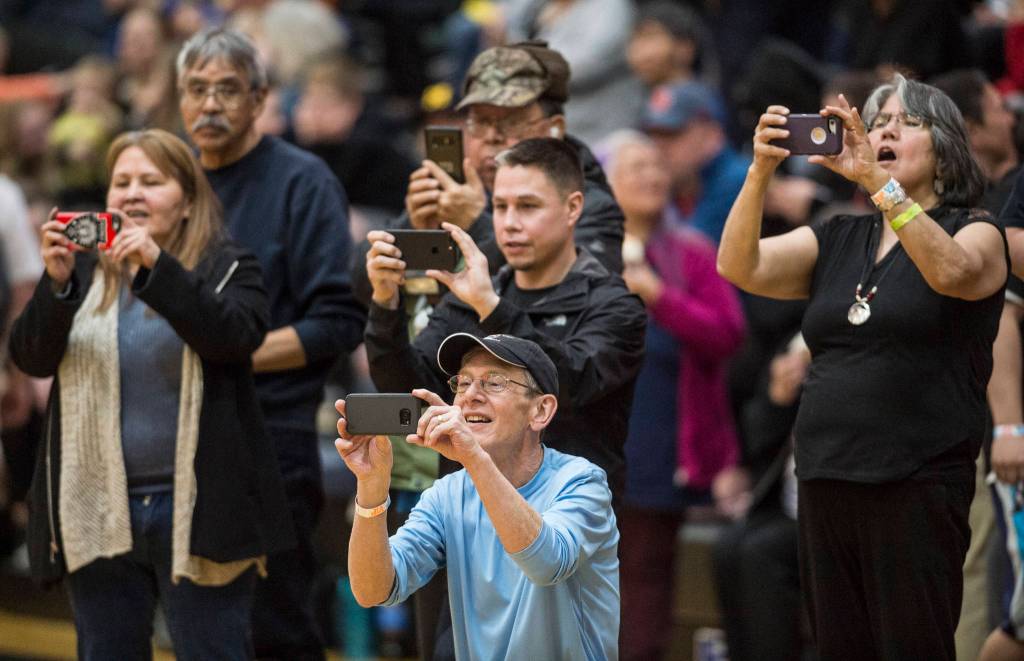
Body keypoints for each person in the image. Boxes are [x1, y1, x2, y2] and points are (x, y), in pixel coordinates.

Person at [717, 74, 1008, 659]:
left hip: (915, 480)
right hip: (826, 475)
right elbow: (738, 264)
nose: (885, 131)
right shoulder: (839, 235)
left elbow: (952, 273)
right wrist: (758, 173)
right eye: (877, 123)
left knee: (911, 647)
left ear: (947, 145)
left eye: (908, 122)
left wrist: (877, 181)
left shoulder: (975, 230)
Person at [8, 128, 292, 660]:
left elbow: (234, 338)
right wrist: (57, 285)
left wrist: (157, 269)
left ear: (186, 200)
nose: (132, 193)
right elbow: (31, 358)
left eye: (151, 181)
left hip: (201, 508)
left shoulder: (226, 265)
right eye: (121, 182)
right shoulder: (84, 270)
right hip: (97, 506)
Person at [176, 27, 366, 660]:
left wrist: (224, 352)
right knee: (195, 631)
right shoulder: (170, 183)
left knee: (274, 628)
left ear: (260, 99)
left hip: (268, 435)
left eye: (227, 90)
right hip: (173, 436)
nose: (209, 105)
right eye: (196, 90)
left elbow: (336, 323)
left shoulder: (302, 182)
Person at [364, 137, 645, 503]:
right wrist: (386, 303)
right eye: (500, 206)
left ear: (573, 207)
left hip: (567, 518)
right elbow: (408, 391)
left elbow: (571, 385)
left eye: (528, 206)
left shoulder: (613, 306)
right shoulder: (472, 296)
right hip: (468, 512)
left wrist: (492, 308)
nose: (510, 223)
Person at [335, 332, 619, 659]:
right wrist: (371, 488)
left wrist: (472, 457)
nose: (470, 395)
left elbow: (546, 563)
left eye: (494, 383)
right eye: (462, 382)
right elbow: (374, 590)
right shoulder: (448, 494)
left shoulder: (582, 481)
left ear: (540, 411)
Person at [599, 129, 743, 660]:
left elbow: (728, 334)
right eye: (634, 166)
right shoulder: (579, 257)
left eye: (657, 166)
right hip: (586, 440)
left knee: (644, 575)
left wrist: (660, 297)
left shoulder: (692, 255)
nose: (651, 176)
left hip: (660, 440)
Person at [352, 38, 625, 308]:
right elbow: (360, 290)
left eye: (512, 122)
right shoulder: (458, 189)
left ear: (553, 129)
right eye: (480, 122)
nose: (492, 137)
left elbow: (573, 301)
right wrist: (411, 226)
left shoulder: (590, 204)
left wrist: (477, 225)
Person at [642, 80, 750, 244]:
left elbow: (687, 258)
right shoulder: (676, 184)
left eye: (671, 134)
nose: (659, 147)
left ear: (712, 134)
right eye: (653, 135)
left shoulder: (742, 179)